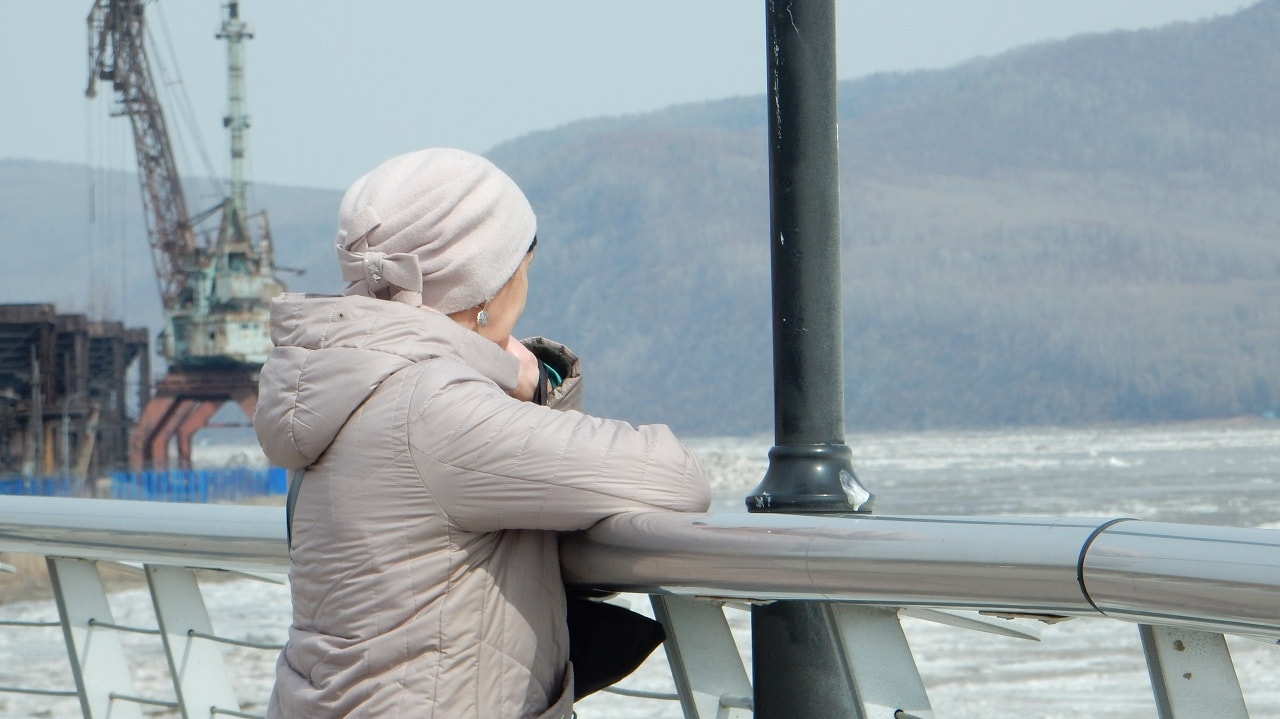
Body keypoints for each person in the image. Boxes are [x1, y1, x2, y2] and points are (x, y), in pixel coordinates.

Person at [253, 148, 711, 719]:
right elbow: (674, 477)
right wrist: (537, 380)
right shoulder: (434, 408)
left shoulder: (350, 382)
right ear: (488, 282)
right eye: (525, 257)